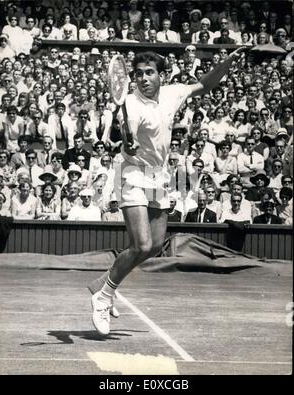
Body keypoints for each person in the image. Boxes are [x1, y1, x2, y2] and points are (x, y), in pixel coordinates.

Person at [87, 47, 247, 336]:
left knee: (156, 244)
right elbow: (126, 144)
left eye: (150, 73)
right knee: (141, 245)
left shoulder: (174, 92)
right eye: (138, 75)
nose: (144, 79)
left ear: (162, 75)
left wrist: (226, 63)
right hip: (131, 173)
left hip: (159, 175)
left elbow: (205, 84)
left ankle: (104, 282)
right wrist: (128, 145)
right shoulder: (131, 107)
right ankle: (103, 295)